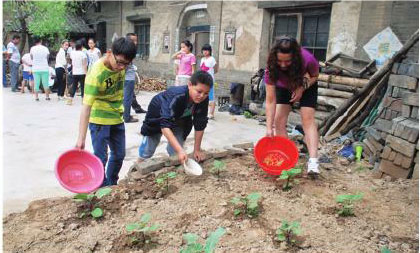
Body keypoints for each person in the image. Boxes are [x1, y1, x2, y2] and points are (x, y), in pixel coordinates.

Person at [75, 37, 137, 186]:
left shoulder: (122, 67)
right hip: (99, 120)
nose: (122, 67)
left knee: (119, 155)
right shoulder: (96, 72)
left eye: (126, 64)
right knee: (100, 158)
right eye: (120, 62)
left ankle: (111, 184)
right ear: (110, 53)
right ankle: (100, 188)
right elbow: (86, 107)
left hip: (116, 116)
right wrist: (81, 138)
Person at [265, 36, 320, 175]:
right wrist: (268, 127)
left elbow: (315, 75)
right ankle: (286, 157)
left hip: (305, 83)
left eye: (287, 61)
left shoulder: (307, 59)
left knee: (307, 119)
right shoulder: (271, 67)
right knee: (278, 121)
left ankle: (313, 162)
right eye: (280, 61)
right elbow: (271, 101)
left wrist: (301, 88)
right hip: (284, 86)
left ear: (294, 57)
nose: (283, 65)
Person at [137, 71, 212, 164]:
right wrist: (181, 151)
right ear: (189, 85)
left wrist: (196, 150)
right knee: (149, 146)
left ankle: (174, 165)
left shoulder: (203, 99)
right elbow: (164, 125)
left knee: (176, 151)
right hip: (157, 117)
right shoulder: (175, 95)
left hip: (180, 119)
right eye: (199, 91)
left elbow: (200, 123)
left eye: (206, 93)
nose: (202, 96)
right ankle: (138, 165)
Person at [123, 33, 147, 123]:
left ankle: (136, 108)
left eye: (136, 40)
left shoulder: (125, 49)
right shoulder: (128, 51)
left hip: (127, 76)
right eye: (133, 40)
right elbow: (124, 65)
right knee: (127, 98)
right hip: (128, 78)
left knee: (130, 95)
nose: (135, 42)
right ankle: (126, 117)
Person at [200, 44, 218, 119]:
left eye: (207, 50)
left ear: (210, 51)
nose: (205, 52)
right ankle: (203, 111)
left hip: (210, 81)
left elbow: (216, 69)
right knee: (203, 96)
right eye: (204, 50)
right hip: (202, 81)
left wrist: (211, 74)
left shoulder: (212, 59)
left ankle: (211, 113)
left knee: (211, 97)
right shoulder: (202, 59)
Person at [30, 36, 51, 101]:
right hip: (44, 68)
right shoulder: (45, 48)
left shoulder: (32, 48)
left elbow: (31, 58)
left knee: (36, 83)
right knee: (45, 83)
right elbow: (47, 58)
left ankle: (36, 97)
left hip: (35, 68)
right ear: (41, 41)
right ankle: (47, 97)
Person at [67, 40, 87, 105]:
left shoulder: (73, 53)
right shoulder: (83, 54)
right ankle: (83, 100)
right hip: (82, 73)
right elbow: (84, 65)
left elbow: (71, 61)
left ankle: (70, 100)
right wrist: (86, 73)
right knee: (83, 86)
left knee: (74, 86)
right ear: (81, 47)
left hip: (75, 72)